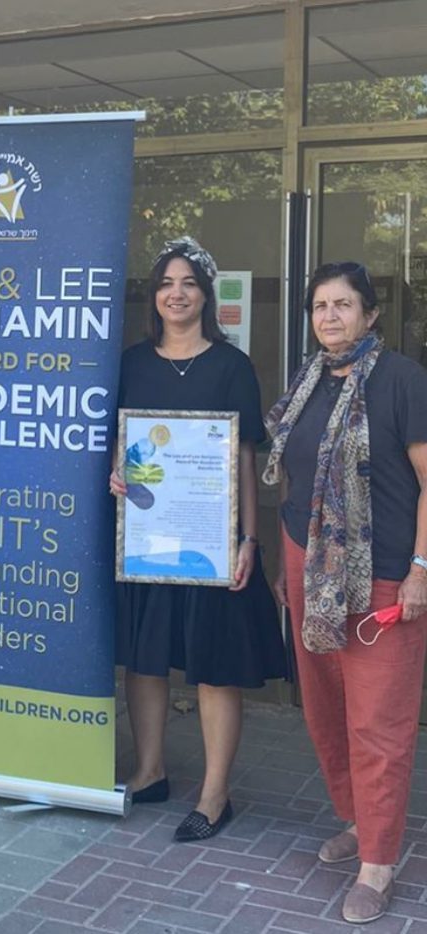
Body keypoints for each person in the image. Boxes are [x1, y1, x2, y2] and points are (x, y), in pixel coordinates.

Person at [264, 261, 427, 924]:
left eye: (343, 304)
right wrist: (288, 564)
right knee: (327, 709)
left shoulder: (403, 381)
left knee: (378, 721)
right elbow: (292, 474)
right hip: (309, 565)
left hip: (380, 571)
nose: (329, 316)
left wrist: (421, 568)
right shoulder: (308, 379)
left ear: (371, 314)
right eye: (319, 306)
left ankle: (379, 862)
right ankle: (360, 821)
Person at [110, 237, 286, 842]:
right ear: (154, 296)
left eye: (188, 283)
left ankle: (215, 794)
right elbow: (120, 441)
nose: (176, 293)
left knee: (215, 667)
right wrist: (116, 472)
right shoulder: (131, 363)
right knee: (144, 659)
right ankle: (149, 771)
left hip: (211, 541)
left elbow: (244, 460)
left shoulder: (231, 366)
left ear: (206, 296)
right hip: (147, 536)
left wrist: (249, 541)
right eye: (166, 283)